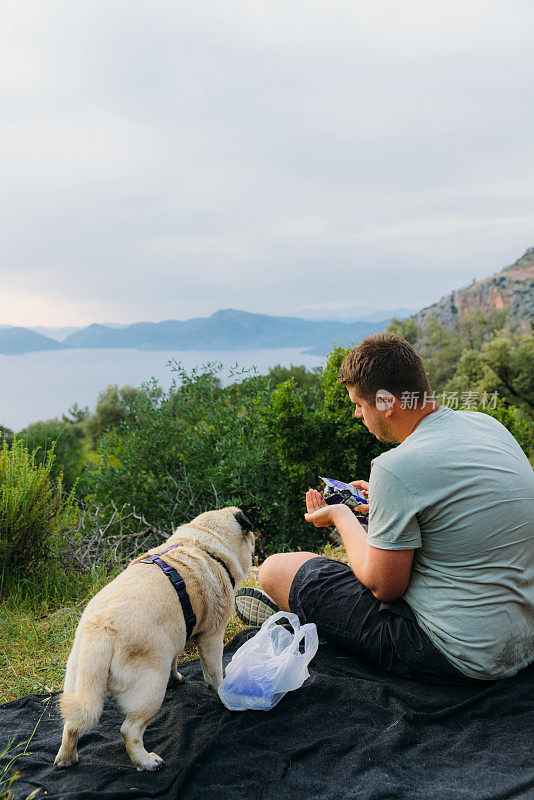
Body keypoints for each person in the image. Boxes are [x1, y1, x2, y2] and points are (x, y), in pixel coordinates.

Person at [235, 333, 534, 683]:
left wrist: (342, 516)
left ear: (387, 402)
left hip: (464, 655)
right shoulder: (486, 426)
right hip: (524, 639)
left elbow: (384, 587)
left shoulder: (396, 467)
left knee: (275, 570)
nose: (357, 414)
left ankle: (299, 619)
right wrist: (385, 500)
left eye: (359, 404)